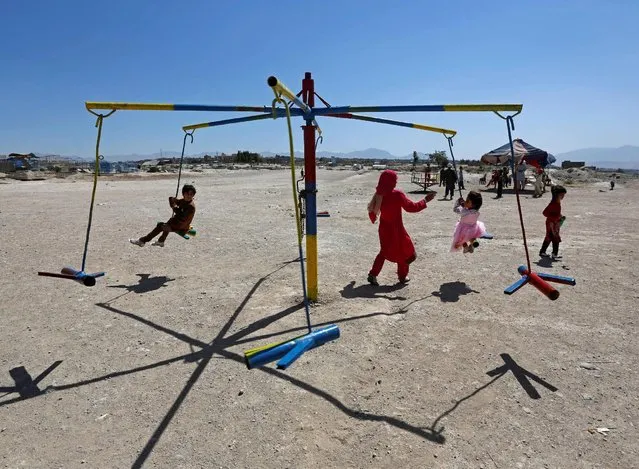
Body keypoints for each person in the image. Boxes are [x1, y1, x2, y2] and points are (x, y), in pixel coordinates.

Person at [367, 170, 435, 285]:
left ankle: (373, 275)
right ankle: (402, 276)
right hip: (396, 230)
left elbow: (372, 212)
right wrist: (425, 200)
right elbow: (411, 207)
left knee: (384, 252)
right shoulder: (397, 194)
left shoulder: (379, 195)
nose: (396, 181)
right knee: (404, 251)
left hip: (384, 229)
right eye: (395, 180)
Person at [130, 184, 197, 247]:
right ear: (183, 194)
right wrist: (172, 200)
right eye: (187, 194)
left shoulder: (191, 207)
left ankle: (142, 241)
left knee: (161, 226)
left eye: (191, 194)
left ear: (193, 195)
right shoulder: (184, 201)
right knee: (165, 224)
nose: (189, 196)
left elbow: (182, 218)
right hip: (178, 223)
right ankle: (160, 241)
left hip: (181, 226)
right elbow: (177, 202)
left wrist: (174, 208)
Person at [539, 185, 567, 260]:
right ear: (557, 195)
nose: (563, 196)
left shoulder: (557, 203)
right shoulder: (553, 204)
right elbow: (545, 213)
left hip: (555, 223)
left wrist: (560, 216)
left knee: (550, 237)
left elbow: (556, 213)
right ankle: (554, 254)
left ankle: (543, 252)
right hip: (551, 223)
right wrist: (555, 217)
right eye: (562, 195)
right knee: (554, 238)